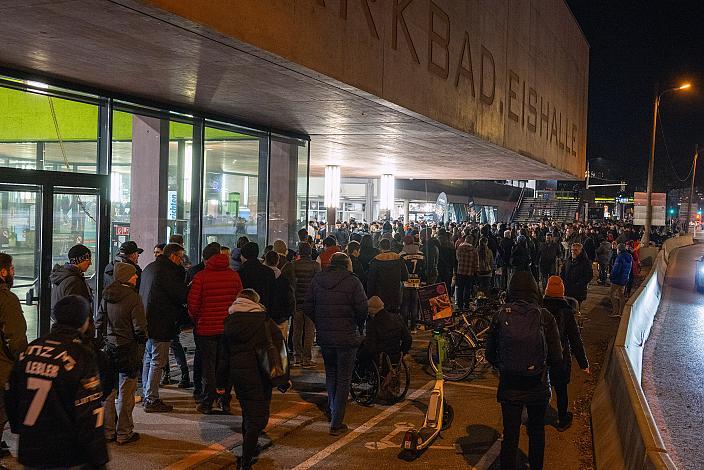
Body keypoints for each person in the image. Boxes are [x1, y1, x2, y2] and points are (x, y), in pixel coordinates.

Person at [6, 295, 108, 469]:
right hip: (65, 453)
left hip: (31, 448)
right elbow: (89, 412)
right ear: (83, 321)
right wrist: (98, 457)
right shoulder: (80, 356)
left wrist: (19, 428)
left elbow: (10, 394)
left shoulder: (29, 350)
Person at [486, 271, 562, 470]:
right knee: (536, 431)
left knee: (510, 434)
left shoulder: (501, 315)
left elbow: (490, 354)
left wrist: (503, 366)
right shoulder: (544, 316)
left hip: (510, 386)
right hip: (537, 385)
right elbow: (557, 357)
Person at [217, 289, 281, 470]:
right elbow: (277, 349)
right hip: (261, 375)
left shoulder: (229, 323)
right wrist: (282, 378)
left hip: (240, 376)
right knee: (257, 419)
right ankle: (245, 460)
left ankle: (249, 448)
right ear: (255, 302)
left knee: (248, 412)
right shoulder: (264, 321)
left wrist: (221, 385)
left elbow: (224, 358)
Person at [304, 253, 367, 436]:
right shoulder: (353, 282)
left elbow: (307, 306)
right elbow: (362, 308)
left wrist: (319, 322)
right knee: (344, 379)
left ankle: (333, 411)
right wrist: (359, 324)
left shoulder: (318, 279)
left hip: (325, 336)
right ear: (347, 264)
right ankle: (336, 422)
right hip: (347, 336)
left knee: (331, 374)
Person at [95, 262, 146, 445]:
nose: (136, 277)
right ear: (126, 277)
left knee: (109, 390)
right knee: (126, 390)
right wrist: (141, 345)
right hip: (127, 348)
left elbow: (99, 322)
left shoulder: (106, 296)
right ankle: (124, 432)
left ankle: (108, 431)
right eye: (133, 274)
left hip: (109, 348)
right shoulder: (133, 298)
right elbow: (140, 328)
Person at [188, 251, 243, 414]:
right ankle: (224, 400)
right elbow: (239, 299)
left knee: (208, 367)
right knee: (225, 367)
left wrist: (197, 320)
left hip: (206, 329)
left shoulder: (201, 277)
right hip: (227, 328)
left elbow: (193, 305)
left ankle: (207, 401)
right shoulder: (234, 277)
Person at [139, 242, 188, 413]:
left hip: (146, 321)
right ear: (173, 256)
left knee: (148, 359)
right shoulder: (168, 272)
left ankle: (146, 394)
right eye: (180, 258)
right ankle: (151, 399)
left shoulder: (150, 268)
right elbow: (180, 295)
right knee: (157, 361)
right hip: (161, 322)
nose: (181, 261)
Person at [542, 276, 589, 431]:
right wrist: (583, 363)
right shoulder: (566, 312)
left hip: (542, 356)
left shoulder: (540, 310)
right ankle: (562, 419)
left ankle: (537, 415)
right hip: (560, 358)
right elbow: (575, 339)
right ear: (562, 292)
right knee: (561, 390)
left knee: (540, 386)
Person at [0, 253, 28, 456]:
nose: (13, 273)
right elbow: (15, 338)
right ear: (3, 272)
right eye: (11, 269)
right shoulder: (7, 299)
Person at [359, 296, 412, 364]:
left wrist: (359, 355)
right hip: (396, 357)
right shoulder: (397, 318)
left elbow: (370, 348)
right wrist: (402, 352)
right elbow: (408, 339)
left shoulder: (373, 324)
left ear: (371, 311)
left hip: (380, 360)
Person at [292, 242, 320, 368]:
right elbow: (318, 284)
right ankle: (307, 358)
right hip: (311, 302)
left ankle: (297, 357)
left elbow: (292, 284)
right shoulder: (315, 266)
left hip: (297, 301)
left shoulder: (294, 265)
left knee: (297, 330)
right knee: (309, 331)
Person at [366, 238, 409, 314]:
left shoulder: (375, 261)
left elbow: (371, 281)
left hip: (380, 297)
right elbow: (405, 276)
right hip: (396, 295)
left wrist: (370, 296)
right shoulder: (399, 258)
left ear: (380, 248)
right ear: (390, 247)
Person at [49, 243, 94, 311]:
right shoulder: (73, 281)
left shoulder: (63, 275)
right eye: (88, 259)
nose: (90, 263)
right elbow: (74, 310)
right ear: (79, 260)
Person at [238, 242, 276, 310]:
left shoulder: (241, 273)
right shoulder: (269, 272)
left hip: (245, 309)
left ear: (245, 255)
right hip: (264, 309)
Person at [399, 235, 425, 331]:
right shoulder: (421, 254)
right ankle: (414, 326)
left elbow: (400, 270)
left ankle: (405, 327)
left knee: (405, 304)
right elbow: (424, 270)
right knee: (415, 305)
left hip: (405, 282)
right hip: (417, 282)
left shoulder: (402, 255)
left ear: (404, 243)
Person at [560, 243, 593, 310]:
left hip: (578, 290)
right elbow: (563, 271)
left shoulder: (585, 262)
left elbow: (588, 276)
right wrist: (562, 280)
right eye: (572, 250)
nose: (573, 252)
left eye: (575, 250)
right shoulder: (568, 260)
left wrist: (579, 284)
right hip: (567, 288)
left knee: (575, 308)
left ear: (580, 251)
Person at [455, 234, 479, 309]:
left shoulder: (459, 248)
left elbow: (457, 259)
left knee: (460, 289)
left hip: (460, 271)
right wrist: (476, 271)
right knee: (467, 289)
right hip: (470, 272)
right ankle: (466, 305)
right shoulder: (474, 250)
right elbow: (476, 263)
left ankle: (460, 305)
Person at [609, 243, 632, 318]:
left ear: (619, 249)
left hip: (617, 279)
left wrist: (611, 277)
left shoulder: (620, 257)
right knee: (621, 295)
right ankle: (621, 312)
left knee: (612, 294)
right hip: (624, 279)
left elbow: (616, 269)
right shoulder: (629, 256)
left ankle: (615, 311)